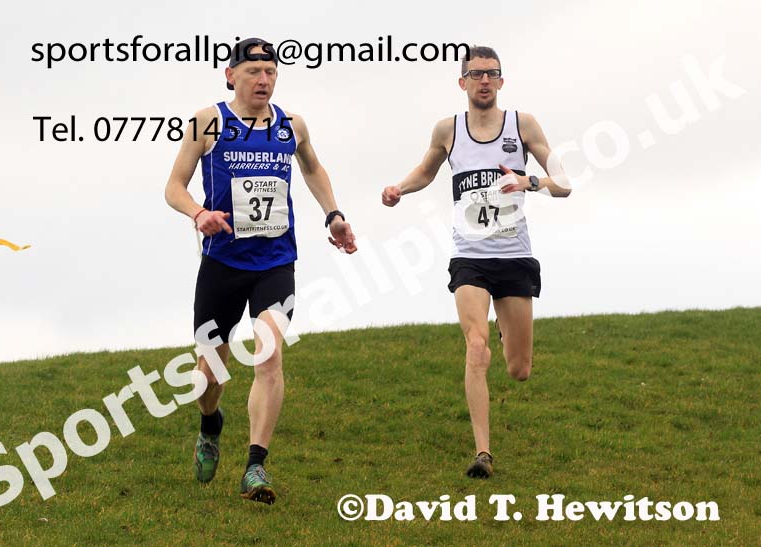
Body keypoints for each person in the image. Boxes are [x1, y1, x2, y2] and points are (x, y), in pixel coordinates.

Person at [165, 37, 357, 504]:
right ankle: (210, 423)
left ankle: (255, 466)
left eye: (271, 72)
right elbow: (173, 186)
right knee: (210, 373)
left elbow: (312, 169)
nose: (264, 80)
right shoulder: (209, 121)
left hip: (275, 261)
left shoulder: (292, 125)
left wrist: (333, 215)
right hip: (222, 262)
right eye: (254, 72)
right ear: (231, 75)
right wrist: (197, 213)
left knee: (268, 355)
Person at [381, 45, 571, 478]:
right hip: (469, 256)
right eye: (476, 74)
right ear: (462, 82)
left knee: (519, 370)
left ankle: (507, 332)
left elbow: (565, 183)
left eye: (491, 74)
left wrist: (531, 180)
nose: (484, 81)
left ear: (502, 81)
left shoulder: (523, 125)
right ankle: (483, 452)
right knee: (475, 346)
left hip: (514, 255)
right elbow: (427, 171)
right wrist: (398, 189)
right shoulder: (448, 130)